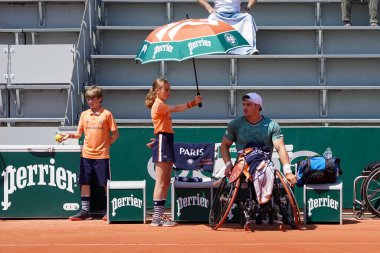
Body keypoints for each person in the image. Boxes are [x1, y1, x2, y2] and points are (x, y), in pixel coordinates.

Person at [220, 92, 297, 204]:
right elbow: (224, 145)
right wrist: (228, 164)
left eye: (248, 104)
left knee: (266, 169)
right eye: (243, 104)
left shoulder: (272, 125)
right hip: (242, 164)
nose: (245, 107)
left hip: (263, 163)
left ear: (257, 106)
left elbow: (280, 147)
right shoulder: (235, 124)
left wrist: (288, 171)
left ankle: (264, 200)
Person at [145, 78, 202, 227]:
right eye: (166, 89)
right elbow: (176, 108)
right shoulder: (159, 105)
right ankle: (157, 218)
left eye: (169, 89)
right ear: (157, 91)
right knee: (161, 182)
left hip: (166, 140)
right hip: (163, 140)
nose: (169, 92)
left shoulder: (160, 104)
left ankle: (160, 216)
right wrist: (192, 103)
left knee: (164, 182)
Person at [58, 85, 119, 221]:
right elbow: (79, 134)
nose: (90, 101)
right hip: (86, 155)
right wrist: (69, 135)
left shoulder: (107, 114)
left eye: (93, 98)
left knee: (105, 183)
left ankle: (110, 210)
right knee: (85, 182)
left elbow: (115, 134)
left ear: (100, 99)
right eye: (88, 99)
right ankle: (86, 211)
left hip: (102, 156)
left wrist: (107, 144)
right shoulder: (84, 115)